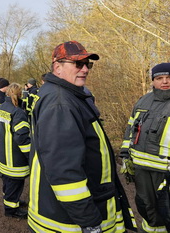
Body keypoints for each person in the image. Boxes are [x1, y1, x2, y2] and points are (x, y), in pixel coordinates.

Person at [28, 40, 137, 232]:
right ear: (58, 67)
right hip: (68, 222)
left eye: (88, 64)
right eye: (78, 64)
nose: (85, 69)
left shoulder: (68, 95)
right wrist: (89, 221)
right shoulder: (61, 103)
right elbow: (64, 173)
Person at [120, 63, 170, 232]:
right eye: (159, 78)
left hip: (165, 171)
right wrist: (126, 156)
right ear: (153, 81)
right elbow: (130, 129)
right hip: (141, 168)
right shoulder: (143, 100)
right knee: (146, 207)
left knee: (167, 210)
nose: (165, 81)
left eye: (169, 77)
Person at [0, 83, 31, 219]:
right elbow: (22, 139)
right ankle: (11, 210)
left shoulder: (1, 108)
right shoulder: (18, 113)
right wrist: (30, 155)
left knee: (7, 183)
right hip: (15, 158)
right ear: (20, 95)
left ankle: (12, 201)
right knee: (15, 183)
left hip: (3, 155)